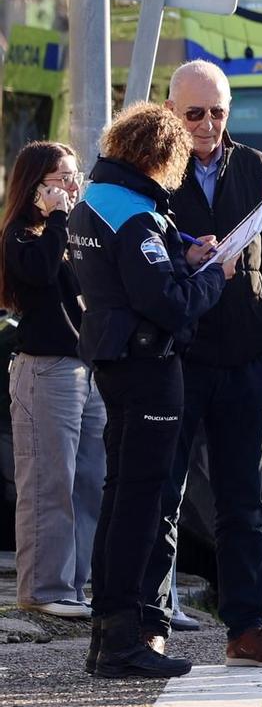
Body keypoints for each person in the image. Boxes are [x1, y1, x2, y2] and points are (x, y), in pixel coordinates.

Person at [70, 103, 235, 679]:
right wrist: (214, 272)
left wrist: (180, 259)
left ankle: (106, 637)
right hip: (147, 370)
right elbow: (168, 303)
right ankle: (120, 642)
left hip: (114, 362)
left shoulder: (94, 201)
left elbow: (126, 278)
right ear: (161, 155)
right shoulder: (137, 216)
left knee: (120, 502)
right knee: (138, 508)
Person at [145, 61, 262, 669]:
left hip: (244, 358)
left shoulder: (255, 167)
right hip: (179, 355)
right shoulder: (153, 172)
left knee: (242, 502)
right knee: (162, 494)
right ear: (171, 110)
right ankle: (151, 622)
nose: (208, 125)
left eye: (218, 113)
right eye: (195, 114)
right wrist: (188, 258)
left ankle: (246, 628)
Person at [2, 141, 104, 620]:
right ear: (35, 186)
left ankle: (76, 585)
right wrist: (58, 218)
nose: (69, 187)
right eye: (60, 179)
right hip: (45, 369)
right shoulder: (22, 235)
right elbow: (39, 274)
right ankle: (44, 588)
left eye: (73, 177)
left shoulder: (69, 233)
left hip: (85, 367)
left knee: (90, 479)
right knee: (49, 480)